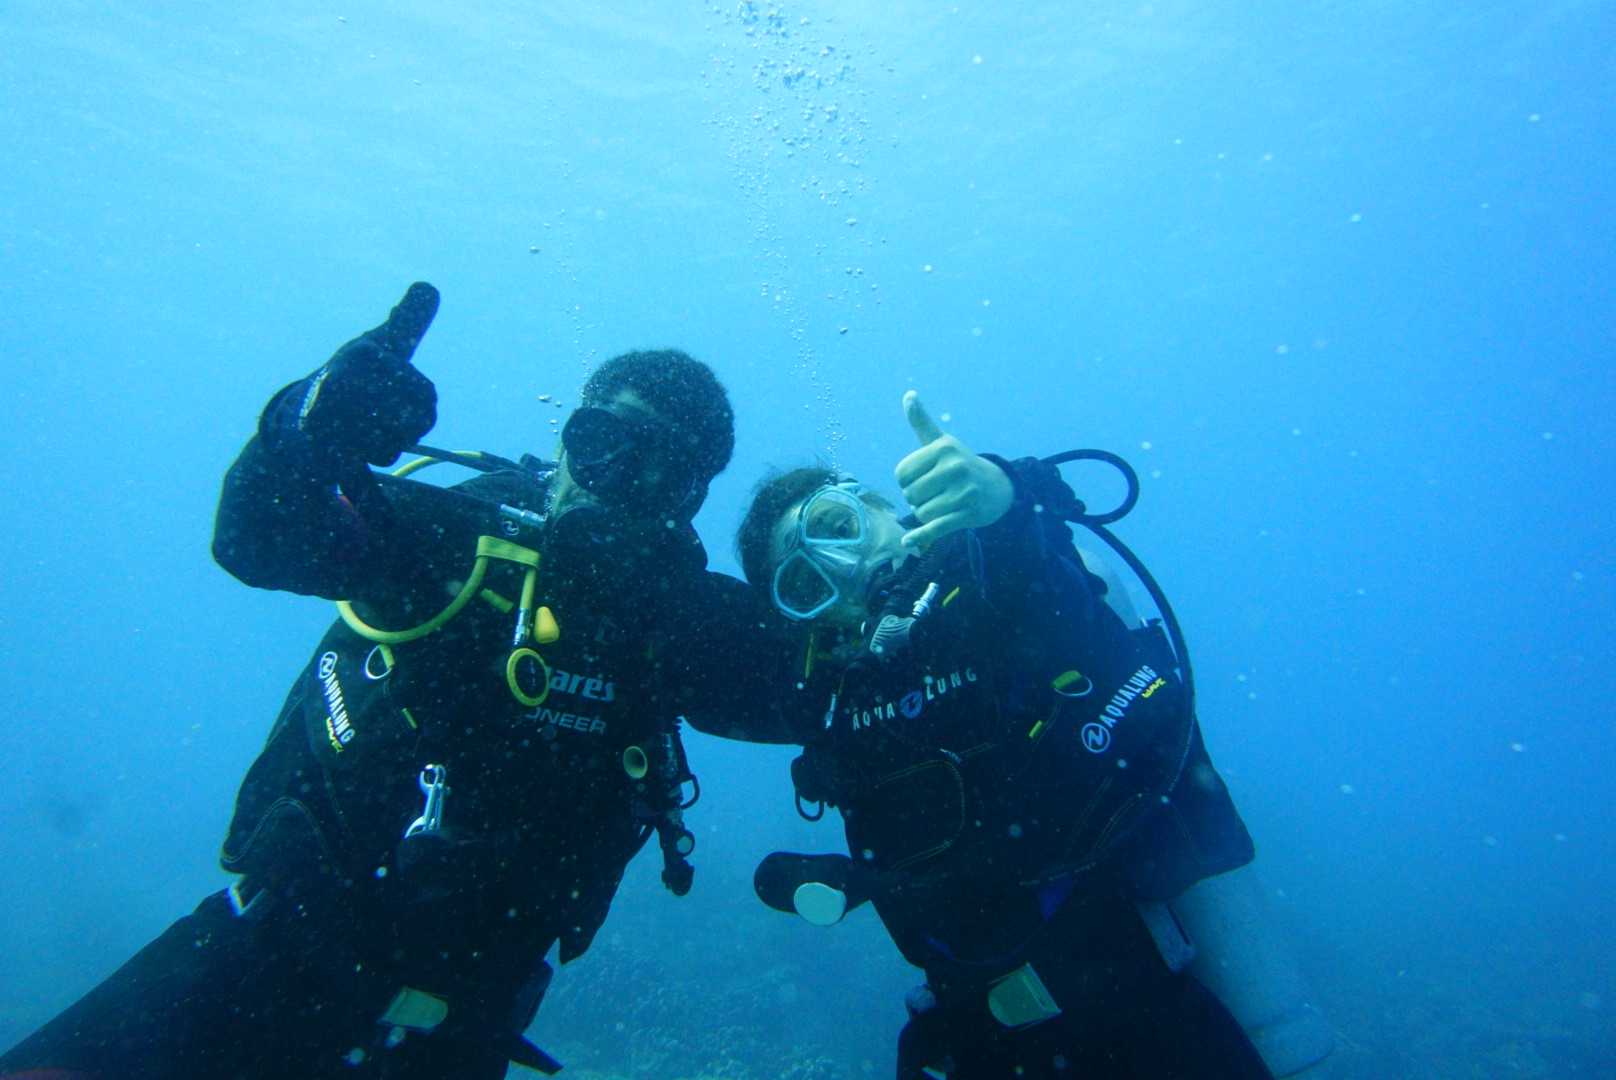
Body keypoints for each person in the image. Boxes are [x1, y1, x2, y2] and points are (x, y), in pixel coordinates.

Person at [0, 283, 782, 1080]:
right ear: (564, 441)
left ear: (693, 495)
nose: (617, 481)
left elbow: (834, 696)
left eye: (662, 470)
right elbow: (261, 536)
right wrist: (302, 433)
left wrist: (906, 580)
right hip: (260, 967)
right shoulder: (455, 541)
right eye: (602, 442)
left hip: (464, 1028)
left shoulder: (686, 628)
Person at [725, 392, 1306, 1080]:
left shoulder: (986, 582)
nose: (843, 567)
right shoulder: (839, 698)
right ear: (805, 617)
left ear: (881, 506)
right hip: (981, 1039)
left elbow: (1050, 600)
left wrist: (999, 500)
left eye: (837, 526)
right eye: (804, 580)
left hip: (1139, 1021)